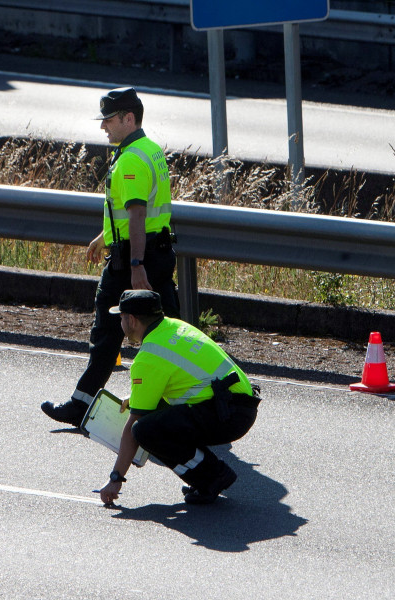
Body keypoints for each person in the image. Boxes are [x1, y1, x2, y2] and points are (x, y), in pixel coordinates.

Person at [42, 87, 180, 426]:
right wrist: (104, 237)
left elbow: (136, 214)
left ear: (128, 118)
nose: (103, 127)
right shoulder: (149, 150)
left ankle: (81, 405)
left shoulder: (131, 158)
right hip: (156, 252)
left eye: (109, 120)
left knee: (106, 332)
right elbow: (138, 211)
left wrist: (135, 266)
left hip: (132, 260)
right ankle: (186, 405)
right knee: (168, 332)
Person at [97, 290, 260, 506]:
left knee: (145, 430)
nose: (120, 320)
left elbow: (134, 427)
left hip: (227, 415)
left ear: (132, 320)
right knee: (157, 418)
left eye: (121, 316)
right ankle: (209, 473)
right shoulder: (175, 326)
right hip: (239, 405)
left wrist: (115, 478)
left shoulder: (148, 357)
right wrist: (137, 396)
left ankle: (211, 476)